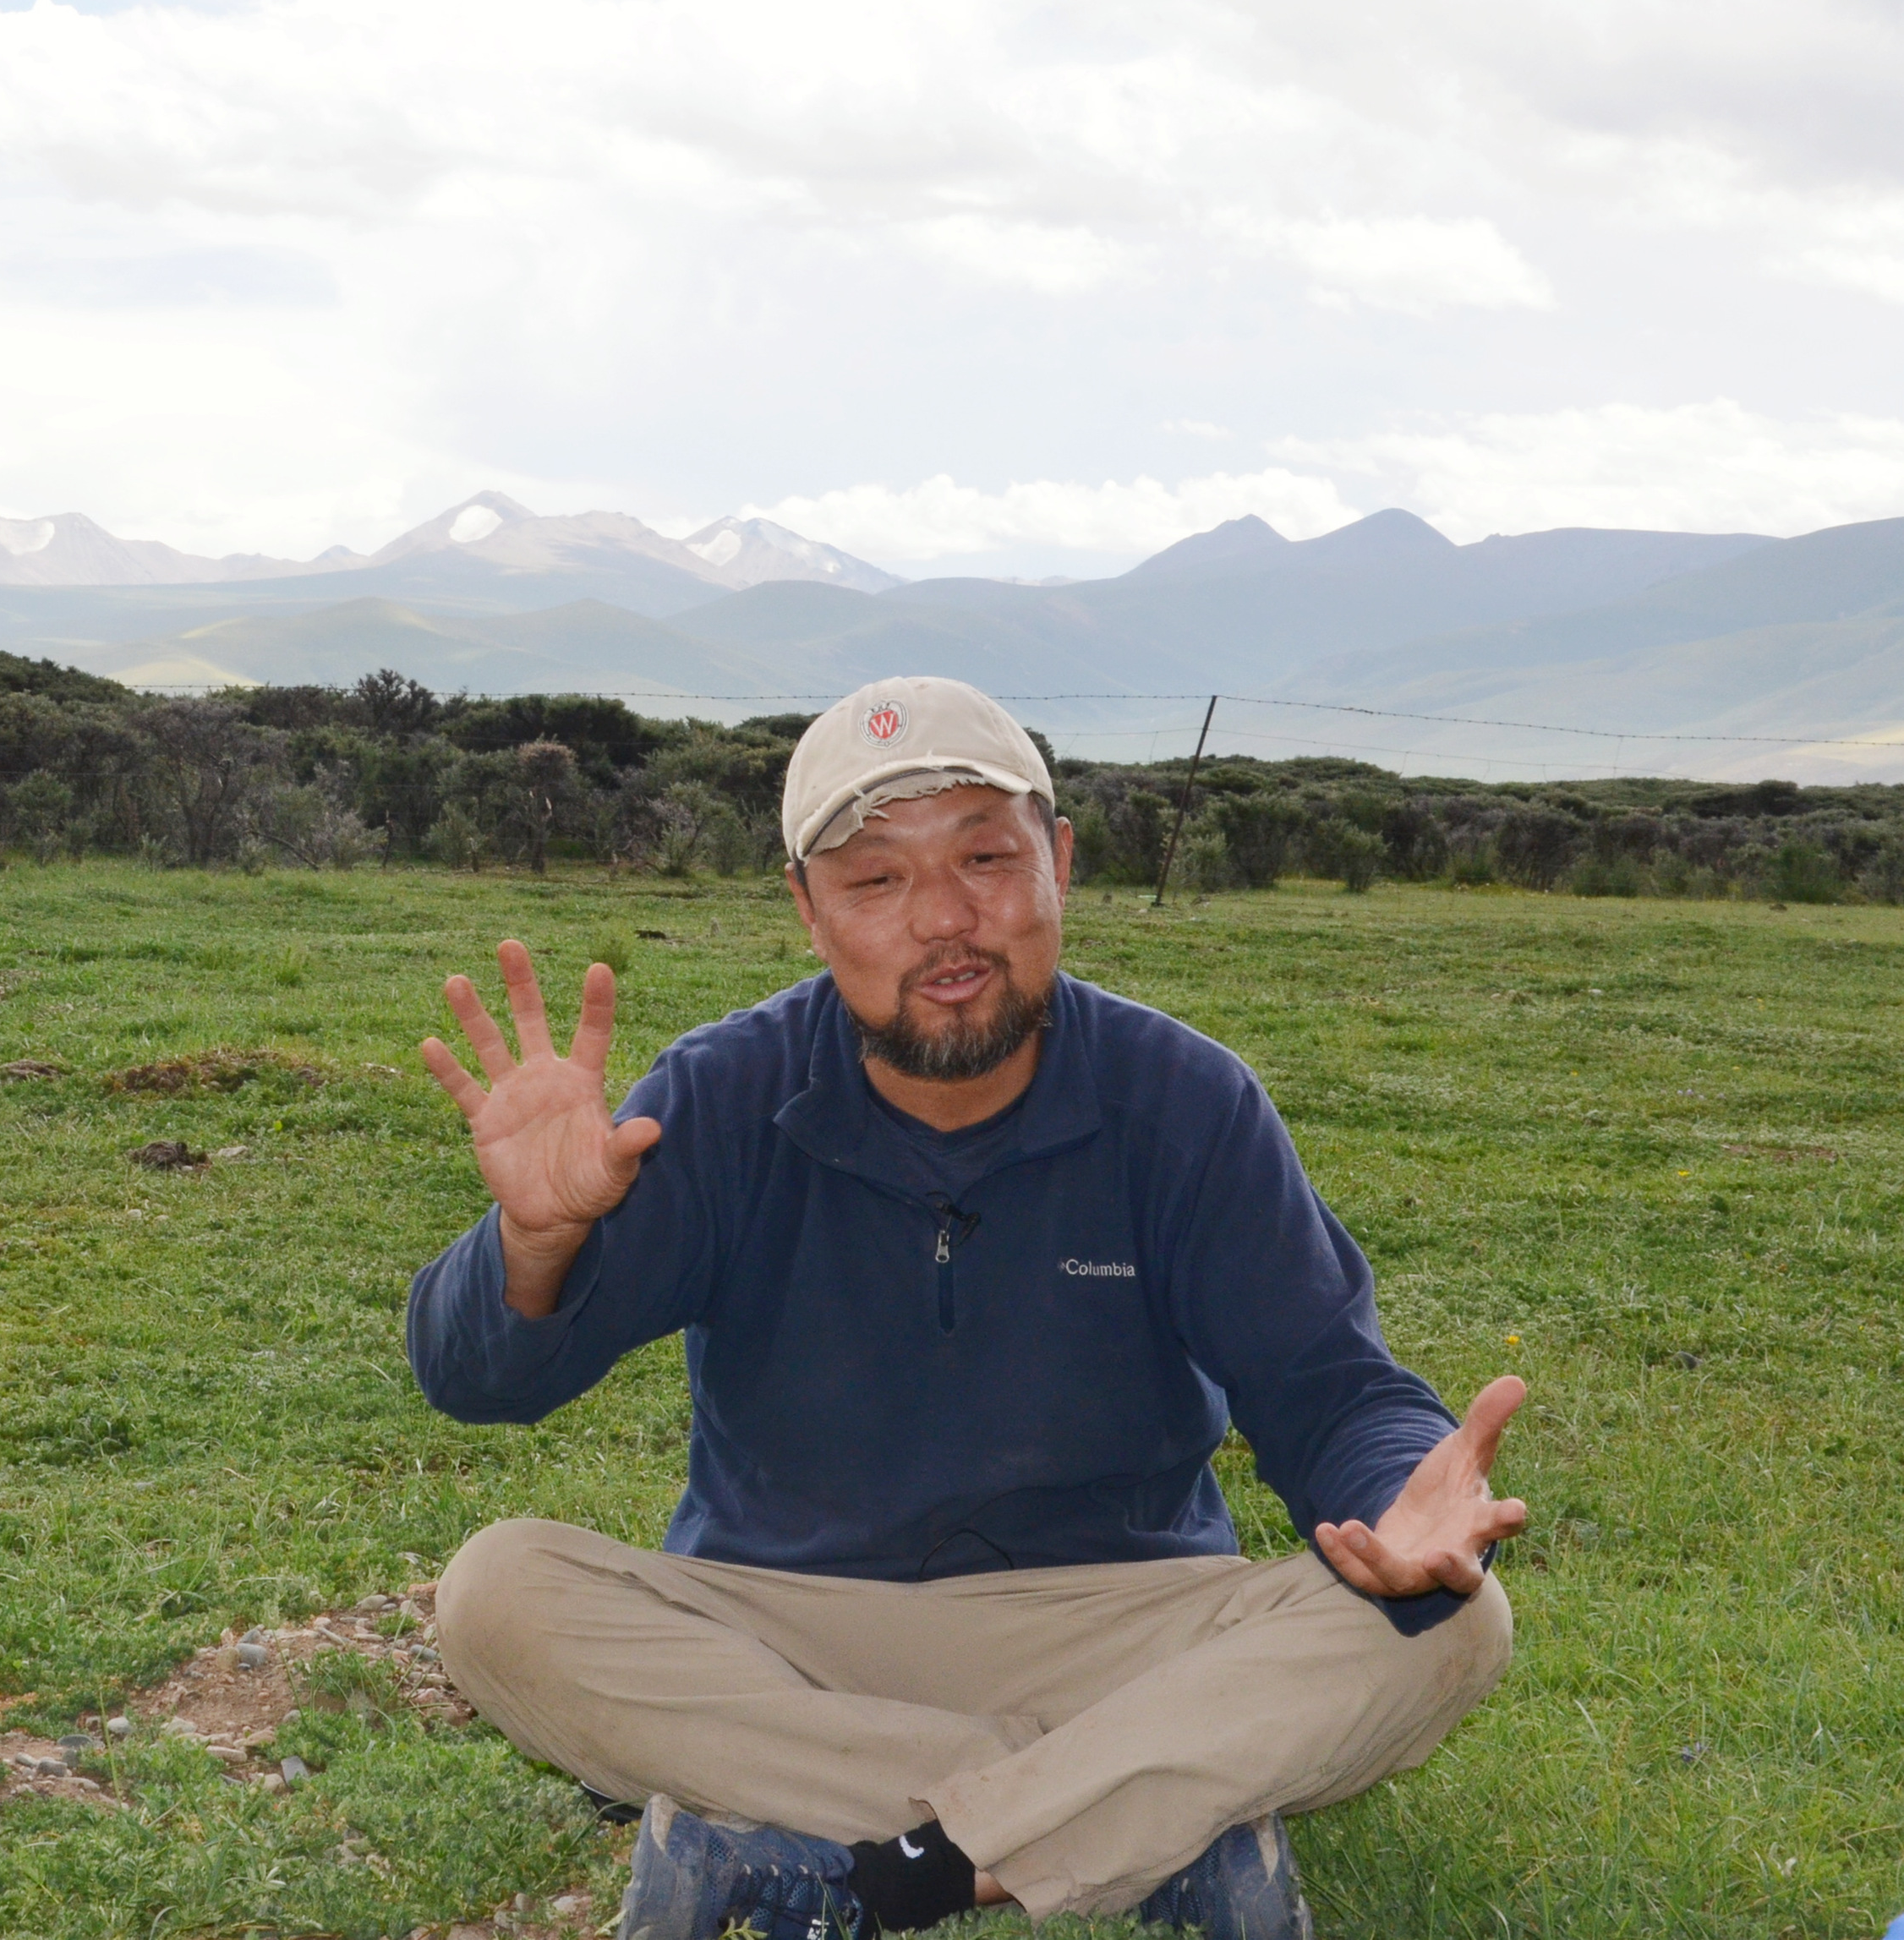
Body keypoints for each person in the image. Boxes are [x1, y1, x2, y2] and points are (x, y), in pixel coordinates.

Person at [406, 678, 1526, 1940]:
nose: (943, 920)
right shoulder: (720, 1099)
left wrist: (1405, 1493)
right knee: (496, 1591)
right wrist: (534, 1241)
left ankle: (889, 1861)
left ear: (1058, 863)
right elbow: (476, 1379)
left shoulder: (1184, 1102)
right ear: (808, 910)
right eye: (875, 880)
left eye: (985, 860)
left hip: (1117, 1619)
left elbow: (1329, 1387)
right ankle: (1146, 1816)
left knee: (1454, 1623)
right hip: (797, 1627)